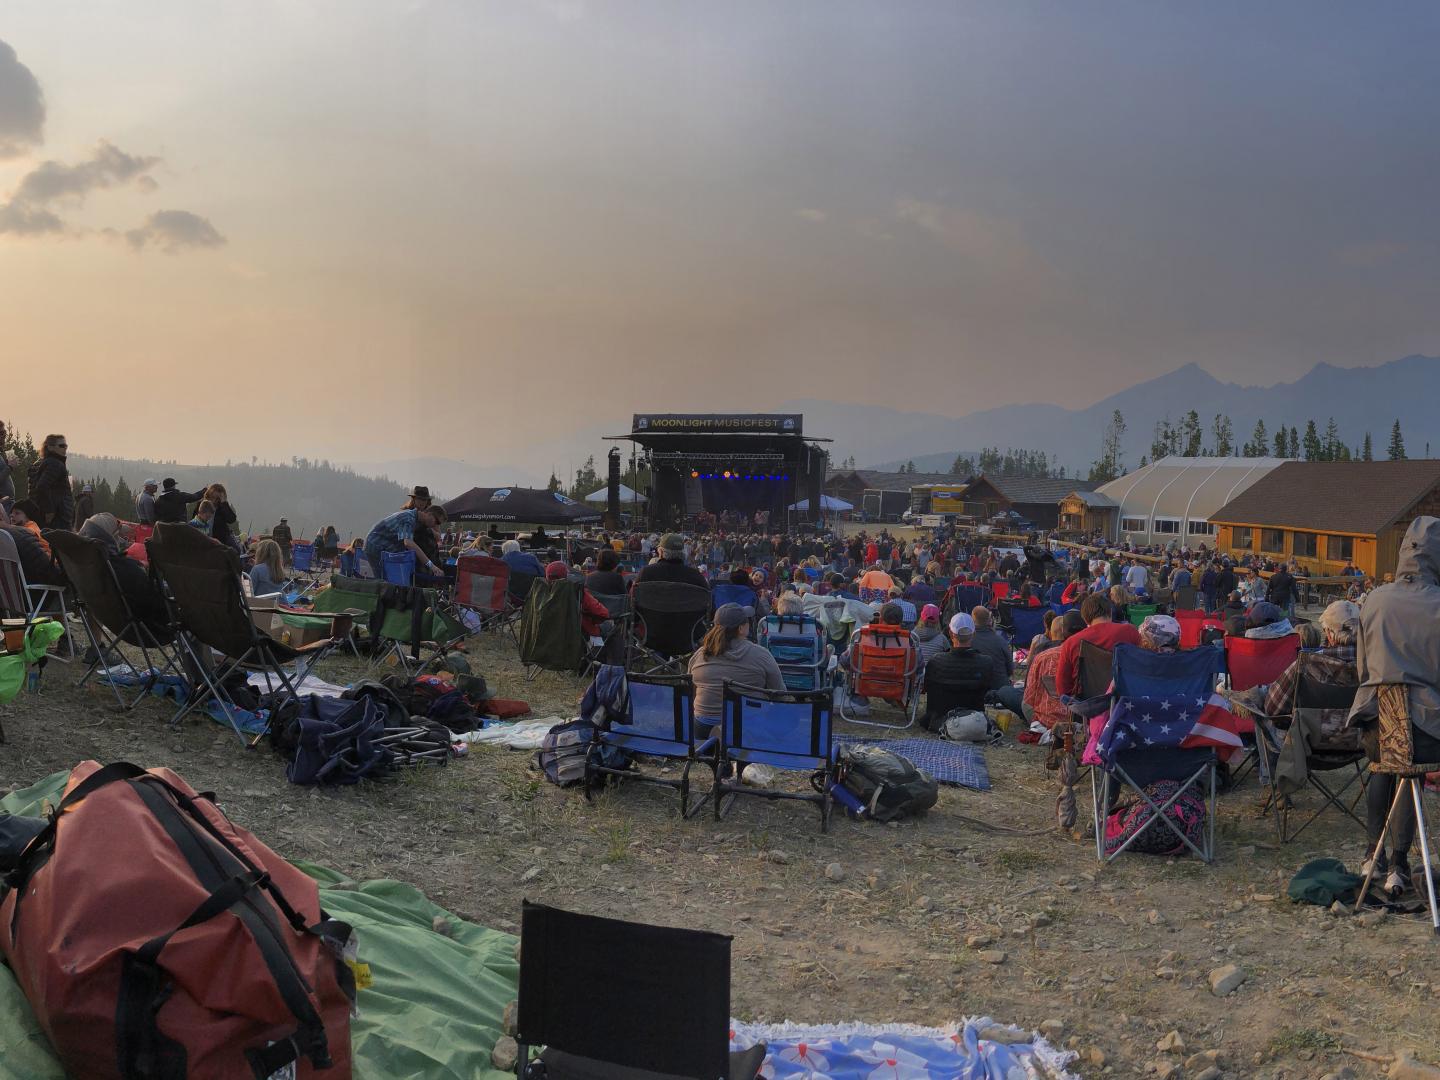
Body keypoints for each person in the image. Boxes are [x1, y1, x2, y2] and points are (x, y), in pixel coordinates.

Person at [1348, 517, 1440, 897]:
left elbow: (1362, 669)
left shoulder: (1374, 599)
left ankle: (1373, 853)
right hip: (1427, 732)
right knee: (1410, 767)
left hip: (1377, 725)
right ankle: (1399, 863)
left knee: (1386, 762)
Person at [686, 602, 786, 726]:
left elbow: (690, 690)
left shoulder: (700, 655)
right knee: (790, 716)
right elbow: (780, 695)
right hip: (747, 728)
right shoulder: (761, 655)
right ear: (740, 629)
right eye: (747, 621)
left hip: (702, 726)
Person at [1263, 600, 1359, 719]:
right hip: (1361, 730)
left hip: (1311, 730)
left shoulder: (1306, 663)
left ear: (1329, 633)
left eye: (1325, 630)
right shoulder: (1375, 666)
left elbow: (1272, 709)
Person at [1054, 593, 1142, 698]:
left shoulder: (1071, 643)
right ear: (1110, 612)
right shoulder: (1130, 631)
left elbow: (1062, 688)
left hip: (1086, 704)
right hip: (1123, 700)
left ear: (1085, 619)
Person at [921, 613, 994, 731]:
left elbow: (926, 687)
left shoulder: (936, 661)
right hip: (973, 722)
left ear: (950, 633)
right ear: (974, 634)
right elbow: (988, 690)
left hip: (939, 722)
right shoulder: (986, 663)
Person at [1023, 609, 1086, 730]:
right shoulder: (1093, 655)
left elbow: (1028, 697)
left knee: (1010, 694)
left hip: (1046, 720)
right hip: (1081, 719)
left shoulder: (1042, 655)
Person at [364, 504, 447, 580]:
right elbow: (408, 543)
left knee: (389, 580)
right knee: (384, 581)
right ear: (429, 514)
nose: (436, 525)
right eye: (437, 522)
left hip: (384, 548)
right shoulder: (409, 518)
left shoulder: (414, 519)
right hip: (376, 546)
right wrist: (432, 566)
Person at [970, 606, 1023, 715]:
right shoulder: (1000, 641)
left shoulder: (968, 641)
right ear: (990, 621)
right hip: (1000, 691)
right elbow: (1010, 670)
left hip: (976, 691)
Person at [545, 560, 612, 639]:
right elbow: (603, 613)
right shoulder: (576, 591)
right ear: (567, 575)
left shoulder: (542, 594)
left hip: (551, 636)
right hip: (580, 634)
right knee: (609, 625)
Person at [25, 434, 73, 530]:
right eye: (61, 446)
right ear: (50, 447)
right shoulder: (55, 464)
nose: (65, 448)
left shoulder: (44, 462)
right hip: (58, 516)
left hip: (48, 514)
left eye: (66, 446)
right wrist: (49, 510)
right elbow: (42, 486)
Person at [634, 533, 709, 590]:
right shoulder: (696, 577)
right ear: (683, 553)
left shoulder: (646, 573)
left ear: (661, 552)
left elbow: (633, 596)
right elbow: (707, 600)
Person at [196, 484, 238, 550]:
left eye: (217, 498)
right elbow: (195, 520)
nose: (214, 500)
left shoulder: (222, 507)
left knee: (236, 550)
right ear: (208, 495)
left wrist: (224, 503)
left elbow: (231, 519)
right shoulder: (201, 504)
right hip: (203, 539)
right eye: (212, 497)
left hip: (220, 541)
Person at [912, 603, 949, 668]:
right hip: (935, 672)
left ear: (921, 617)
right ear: (937, 620)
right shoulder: (942, 638)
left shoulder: (912, 636)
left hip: (916, 672)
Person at [0, 421, 15, 510]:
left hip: (7, 504)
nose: (4, 435)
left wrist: (8, 464)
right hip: (3, 505)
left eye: (4, 432)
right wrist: (10, 467)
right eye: (1, 433)